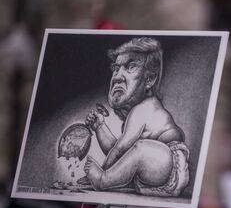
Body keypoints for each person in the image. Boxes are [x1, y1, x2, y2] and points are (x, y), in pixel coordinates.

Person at [78, 37, 189, 197]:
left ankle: (104, 181)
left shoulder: (144, 109)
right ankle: (105, 177)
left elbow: (121, 149)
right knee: (134, 150)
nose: (117, 76)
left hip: (168, 163)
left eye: (130, 67)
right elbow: (120, 154)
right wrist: (100, 126)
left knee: (140, 149)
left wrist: (102, 173)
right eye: (116, 68)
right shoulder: (135, 116)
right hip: (155, 169)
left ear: (149, 79)